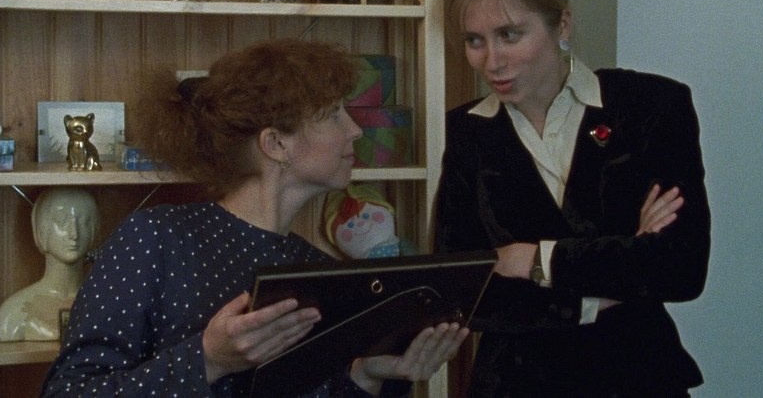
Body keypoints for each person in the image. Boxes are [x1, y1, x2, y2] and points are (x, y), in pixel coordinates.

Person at [41, 39, 469, 397]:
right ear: (276, 144)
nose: (355, 130)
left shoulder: (319, 270)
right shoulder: (155, 238)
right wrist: (208, 360)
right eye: (333, 114)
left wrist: (368, 376)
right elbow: (67, 391)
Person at [434, 0, 710, 397]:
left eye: (509, 35)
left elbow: (680, 267)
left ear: (561, 24)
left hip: (640, 380)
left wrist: (535, 259)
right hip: (516, 387)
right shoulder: (463, 134)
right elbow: (464, 293)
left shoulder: (651, 107)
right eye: (474, 41)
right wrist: (609, 282)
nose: (491, 62)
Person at [0, 187, 99, 341]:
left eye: (84, 222)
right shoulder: (12, 315)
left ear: (94, 231)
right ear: (41, 230)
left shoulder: (106, 305)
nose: (74, 234)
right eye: (61, 221)